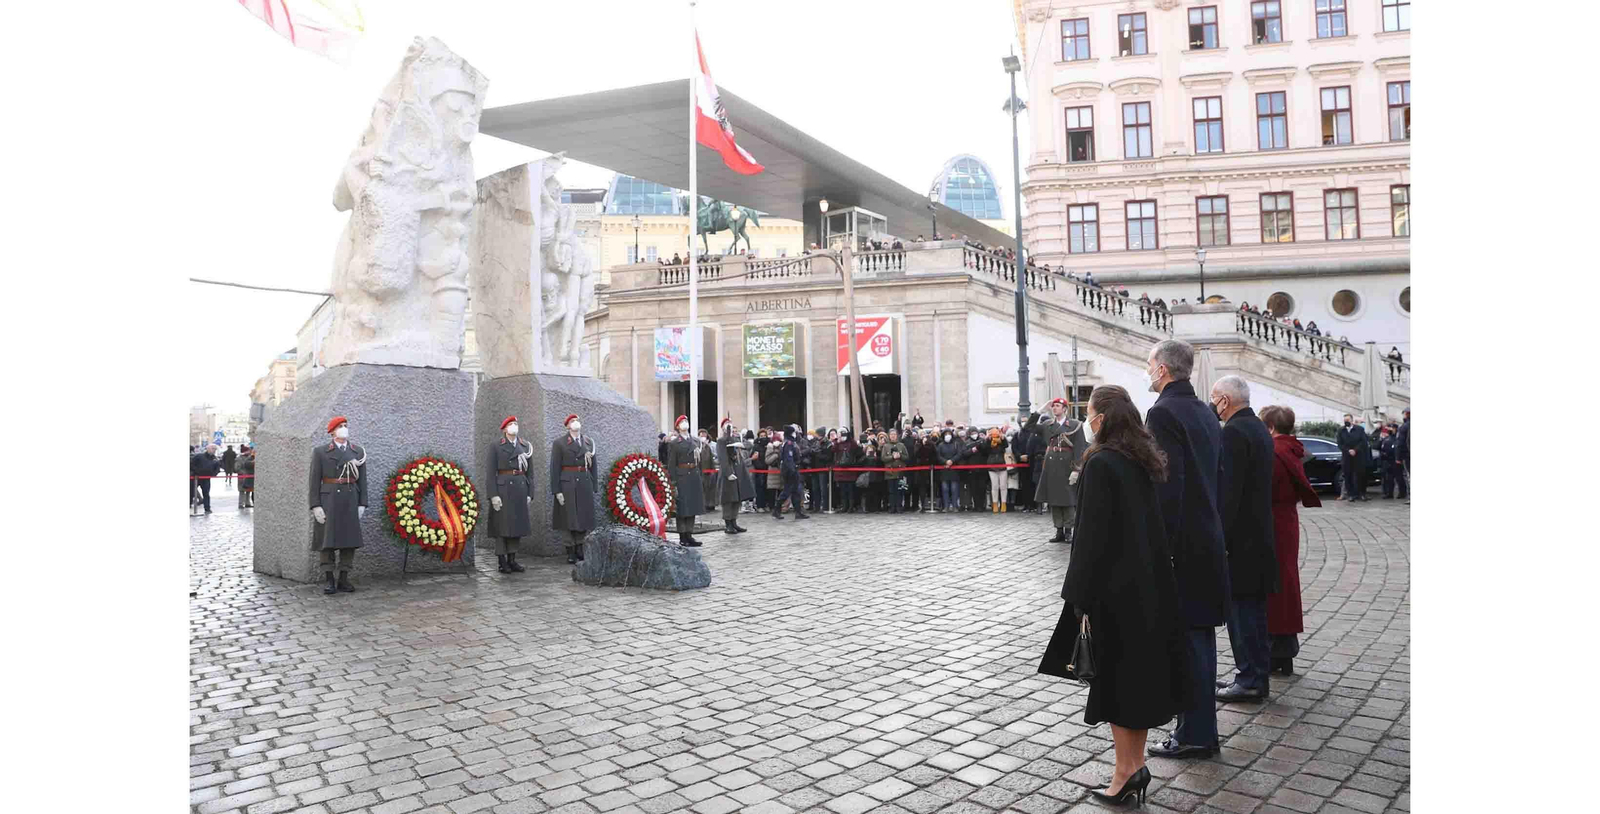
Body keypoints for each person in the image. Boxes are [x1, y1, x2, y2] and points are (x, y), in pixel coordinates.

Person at [1038, 385, 1184, 806]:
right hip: (1149, 586)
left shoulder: (1102, 463)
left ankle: (1125, 772)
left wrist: (1077, 595)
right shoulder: (1142, 459)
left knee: (1119, 684)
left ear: (1101, 419)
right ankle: (1133, 765)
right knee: (1138, 681)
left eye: (1091, 413)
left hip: (1115, 593)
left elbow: (1089, 539)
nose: (1089, 420)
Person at [1143, 340, 1231, 760]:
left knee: (1188, 643)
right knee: (1200, 640)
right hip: (1207, 536)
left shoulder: (1162, 412)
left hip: (1181, 544)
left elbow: (1167, 486)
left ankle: (1194, 735)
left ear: (1162, 370)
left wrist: (1158, 547)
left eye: (1148, 366)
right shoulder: (1204, 410)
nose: (1147, 373)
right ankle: (1199, 730)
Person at [1211, 376, 1279, 702]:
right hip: (1258, 535)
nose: (1214, 405)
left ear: (1225, 400)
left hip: (1241, 542)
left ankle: (1250, 678)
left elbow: (1229, 492)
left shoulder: (1235, 432)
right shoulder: (1257, 428)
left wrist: (1218, 536)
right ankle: (1253, 674)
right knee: (1253, 612)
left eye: (1214, 399)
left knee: (1243, 615)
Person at [1258, 405, 1320, 675]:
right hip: (1286, 521)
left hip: (1273, 522)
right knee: (1285, 584)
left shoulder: (1275, 452)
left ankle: (1278, 651)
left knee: (1275, 587)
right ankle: (1285, 651)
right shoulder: (1291, 448)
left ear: (1270, 427)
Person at [309, 416, 366, 595]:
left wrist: (362, 503)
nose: (344, 429)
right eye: (340, 426)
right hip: (329, 500)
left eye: (346, 426)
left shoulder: (357, 451)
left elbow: (362, 481)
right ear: (332, 431)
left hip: (350, 499)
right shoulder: (321, 452)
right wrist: (315, 505)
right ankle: (329, 580)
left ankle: (343, 578)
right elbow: (314, 481)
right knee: (327, 541)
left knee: (349, 542)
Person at [487, 416, 534, 571]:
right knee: (501, 526)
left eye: (516, 424)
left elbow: (530, 473)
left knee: (516, 525)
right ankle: (502, 561)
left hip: (520, 488)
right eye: (511, 424)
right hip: (503, 489)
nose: (514, 426)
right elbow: (490, 473)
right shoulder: (496, 446)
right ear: (505, 429)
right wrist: (493, 495)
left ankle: (512, 559)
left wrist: (530, 493)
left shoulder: (525, 446)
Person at [550, 414, 597, 564]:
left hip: (584, 482)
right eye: (572, 421)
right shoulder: (560, 443)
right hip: (567, 483)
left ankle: (580, 548)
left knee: (582, 516)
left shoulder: (589, 442)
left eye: (577, 420)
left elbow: (593, 466)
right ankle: (570, 550)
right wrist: (557, 491)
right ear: (567, 426)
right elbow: (554, 468)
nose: (576, 423)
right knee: (568, 518)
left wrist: (593, 485)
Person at [664, 415, 705, 546]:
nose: (685, 423)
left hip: (693, 475)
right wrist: (673, 482)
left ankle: (689, 534)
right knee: (683, 508)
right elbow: (671, 464)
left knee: (692, 506)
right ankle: (682, 536)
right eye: (682, 422)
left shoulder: (694, 441)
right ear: (677, 426)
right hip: (682, 476)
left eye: (686, 421)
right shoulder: (674, 443)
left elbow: (699, 461)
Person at [715, 418, 753, 533]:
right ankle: (728, 524)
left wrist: (739, 442)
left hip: (738, 470)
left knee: (737, 499)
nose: (729, 426)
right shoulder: (721, 440)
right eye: (727, 424)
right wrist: (728, 473)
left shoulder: (736, 438)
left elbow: (747, 446)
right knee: (728, 499)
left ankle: (734, 522)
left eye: (730, 424)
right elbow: (722, 458)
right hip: (729, 471)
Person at [774, 425, 810, 520]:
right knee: (787, 491)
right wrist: (792, 470)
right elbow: (788, 459)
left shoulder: (788, 442)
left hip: (792, 468)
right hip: (790, 469)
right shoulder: (789, 443)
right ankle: (776, 509)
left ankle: (798, 512)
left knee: (796, 491)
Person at [1336, 414, 1369, 501]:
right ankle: (1351, 495)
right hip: (1347, 456)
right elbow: (1340, 444)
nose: (1346, 421)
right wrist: (1348, 450)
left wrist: (1355, 450)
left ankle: (1362, 494)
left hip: (1358, 456)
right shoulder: (1341, 430)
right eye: (1345, 420)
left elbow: (1363, 442)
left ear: (1351, 420)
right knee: (1348, 476)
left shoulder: (1359, 429)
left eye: (1348, 420)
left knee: (1360, 475)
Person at [883, 428, 909, 514]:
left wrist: (900, 456)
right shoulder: (886, 446)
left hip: (900, 472)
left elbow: (907, 457)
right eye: (891, 435)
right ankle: (892, 507)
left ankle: (899, 507)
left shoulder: (901, 445)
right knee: (891, 491)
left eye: (894, 434)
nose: (893, 436)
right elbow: (883, 458)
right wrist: (892, 457)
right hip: (890, 473)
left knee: (900, 491)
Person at [935, 428, 961, 512]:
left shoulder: (956, 444)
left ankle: (955, 506)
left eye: (949, 434)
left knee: (954, 489)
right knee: (945, 489)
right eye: (946, 434)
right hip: (944, 470)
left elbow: (959, 454)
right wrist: (945, 461)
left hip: (954, 470)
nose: (947, 436)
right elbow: (938, 456)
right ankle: (946, 506)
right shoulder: (940, 445)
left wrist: (952, 461)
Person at [983, 428, 1009, 512]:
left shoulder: (1001, 442)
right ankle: (995, 504)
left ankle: (1003, 504)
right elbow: (985, 448)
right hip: (991, 466)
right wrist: (987, 439)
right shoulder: (989, 442)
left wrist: (1003, 438)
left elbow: (1006, 445)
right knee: (994, 486)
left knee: (1003, 486)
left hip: (1002, 465)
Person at [191, 444, 222, 514]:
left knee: (206, 494)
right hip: (196, 477)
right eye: (213, 448)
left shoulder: (215, 459)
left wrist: (213, 474)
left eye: (215, 449)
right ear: (208, 449)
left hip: (206, 479)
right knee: (191, 491)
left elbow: (217, 468)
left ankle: (207, 508)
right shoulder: (199, 456)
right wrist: (196, 472)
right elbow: (192, 464)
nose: (214, 450)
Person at [763, 430, 786, 515]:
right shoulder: (770, 447)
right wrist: (776, 454)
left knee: (781, 490)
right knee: (772, 491)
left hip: (780, 471)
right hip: (772, 472)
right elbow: (767, 460)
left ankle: (779, 507)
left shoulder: (783, 447)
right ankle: (772, 507)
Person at [234, 444, 256, 509]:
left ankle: (247, 503)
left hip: (248, 477)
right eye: (248, 450)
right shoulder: (239, 459)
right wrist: (244, 473)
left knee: (248, 490)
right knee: (242, 491)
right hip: (242, 477)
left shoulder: (250, 457)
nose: (249, 451)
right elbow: (237, 468)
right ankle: (241, 504)